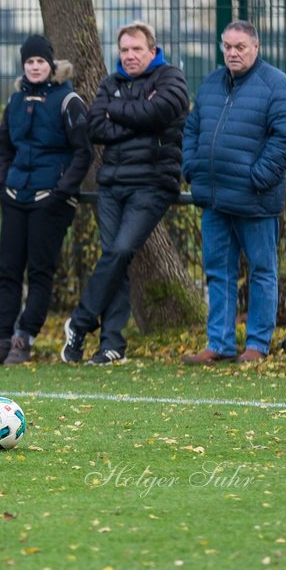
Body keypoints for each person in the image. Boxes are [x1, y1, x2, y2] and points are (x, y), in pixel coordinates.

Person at [61, 21, 190, 365]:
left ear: (152, 50)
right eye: (124, 50)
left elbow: (160, 113)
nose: (130, 56)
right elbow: (95, 126)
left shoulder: (171, 78)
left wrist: (118, 112)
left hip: (152, 185)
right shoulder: (110, 82)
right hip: (112, 186)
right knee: (114, 257)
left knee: (119, 251)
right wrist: (139, 122)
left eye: (137, 49)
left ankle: (80, 322)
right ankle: (111, 344)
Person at [181, 20, 286, 364]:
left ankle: (257, 345)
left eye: (240, 47)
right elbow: (192, 129)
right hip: (215, 201)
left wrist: (257, 177)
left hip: (255, 200)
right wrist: (191, 168)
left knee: (262, 272)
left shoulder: (276, 84)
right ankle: (218, 343)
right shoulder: (211, 83)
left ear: (255, 48)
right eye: (227, 47)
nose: (232, 53)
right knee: (219, 272)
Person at [0, 34, 93, 365]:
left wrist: (61, 192)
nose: (35, 66)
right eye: (29, 62)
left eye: (40, 61)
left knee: (40, 272)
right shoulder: (15, 101)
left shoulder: (69, 101)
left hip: (49, 201)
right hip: (15, 196)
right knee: (8, 270)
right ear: (23, 65)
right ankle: (0, 340)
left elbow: (83, 152)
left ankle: (24, 338)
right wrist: (1, 182)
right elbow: (4, 147)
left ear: (51, 64)